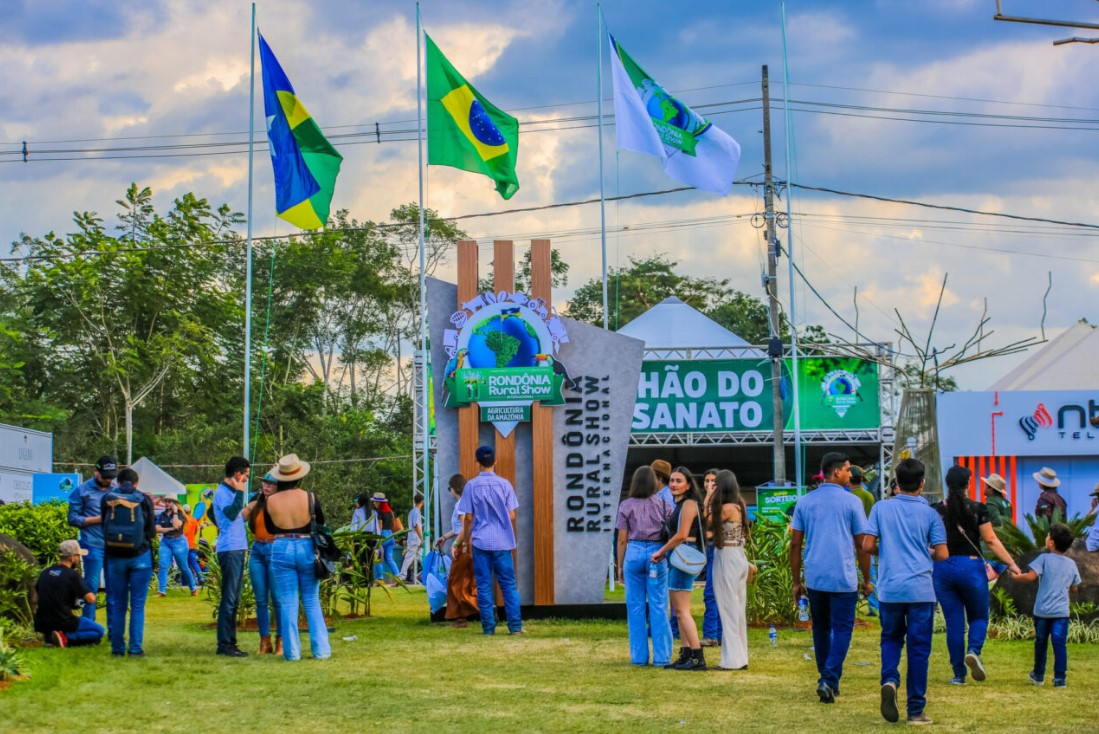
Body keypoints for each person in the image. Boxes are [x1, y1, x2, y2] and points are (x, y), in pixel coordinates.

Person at [864, 458, 948, 725]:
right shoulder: (931, 515)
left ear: (896, 483)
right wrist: (927, 552)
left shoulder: (881, 508)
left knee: (891, 639)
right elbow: (943, 554)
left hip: (890, 589)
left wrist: (886, 550)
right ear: (922, 485)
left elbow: (867, 545)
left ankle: (889, 679)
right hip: (921, 590)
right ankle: (915, 710)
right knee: (919, 648)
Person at [790, 452, 871, 703]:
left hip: (815, 577)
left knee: (821, 629)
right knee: (843, 629)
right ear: (836, 472)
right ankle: (829, 678)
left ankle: (827, 678)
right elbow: (862, 544)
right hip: (843, 577)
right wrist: (867, 578)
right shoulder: (852, 503)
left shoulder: (805, 501)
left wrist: (796, 581)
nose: (850, 474)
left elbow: (795, 544)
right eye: (848, 470)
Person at [931, 465, 1021, 685]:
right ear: (968, 484)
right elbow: (991, 540)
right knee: (979, 616)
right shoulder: (979, 509)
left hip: (942, 568)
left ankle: (958, 674)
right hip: (971, 568)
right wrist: (1012, 563)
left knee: (954, 623)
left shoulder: (935, 510)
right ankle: (973, 650)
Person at [265, 454, 331, 661]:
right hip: (306, 547)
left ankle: (292, 653)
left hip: (281, 546)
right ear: (299, 476)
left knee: (287, 602)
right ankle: (321, 650)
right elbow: (320, 521)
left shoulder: (271, 500)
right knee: (311, 600)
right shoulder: (309, 497)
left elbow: (269, 528)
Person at [454, 445, 523, 635]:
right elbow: (512, 516)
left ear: (477, 462)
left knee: (484, 586)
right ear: (495, 461)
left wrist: (462, 542)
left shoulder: (471, 486)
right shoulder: (505, 484)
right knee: (508, 584)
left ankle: (488, 628)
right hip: (503, 542)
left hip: (481, 542)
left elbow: (468, 518)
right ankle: (515, 627)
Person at [615, 465, 673, 666]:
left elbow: (622, 539)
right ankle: (662, 657)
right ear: (654, 482)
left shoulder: (625, 505)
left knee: (635, 607)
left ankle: (639, 657)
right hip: (658, 553)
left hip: (634, 552)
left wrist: (620, 566)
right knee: (658, 605)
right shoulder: (664, 505)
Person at [1010, 523, 1080, 688]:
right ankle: (1060, 678)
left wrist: (1015, 577)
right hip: (1061, 613)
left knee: (1041, 642)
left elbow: (1030, 577)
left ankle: (1038, 675)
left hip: (1042, 611)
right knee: (1059, 644)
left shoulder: (1044, 558)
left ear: (1051, 543)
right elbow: (1075, 587)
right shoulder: (1071, 564)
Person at [651, 466, 707, 671]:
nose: (674, 484)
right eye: (672, 480)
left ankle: (697, 656)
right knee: (678, 610)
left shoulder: (689, 504)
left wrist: (661, 551)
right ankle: (685, 654)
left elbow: (682, 534)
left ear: (688, 484)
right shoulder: (679, 504)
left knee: (682, 611)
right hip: (679, 557)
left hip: (684, 556)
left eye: (679, 481)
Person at [101, 467, 156, 657]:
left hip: (115, 556)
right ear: (136, 482)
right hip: (140, 556)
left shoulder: (107, 499)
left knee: (118, 604)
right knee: (138, 605)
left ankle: (117, 648)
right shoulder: (144, 499)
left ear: (118, 481)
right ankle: (135, 649)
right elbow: (151, 531)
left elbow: (103, 525)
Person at [65, 455, 118, 622]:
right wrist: (98, 519)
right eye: (105, 477)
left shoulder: (117, 490)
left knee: (114, 589)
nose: (108, 480)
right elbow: (72, 519)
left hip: (114, 545)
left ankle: (113, 630)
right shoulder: (81, 491)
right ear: (95, 472)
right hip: (92, 544)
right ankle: (89, 626)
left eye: (111, 477)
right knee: (90, 588)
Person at [709, 469, 750, 671]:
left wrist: (708, 496)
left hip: (727, 556)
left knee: (727, 608)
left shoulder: (725, 508)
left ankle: (732, 659)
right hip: (739, 555)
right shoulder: (739, 505)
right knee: (737, 608)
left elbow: (705, 521)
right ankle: (740, 656)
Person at [212, 455, 251, 657]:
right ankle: (224, 644)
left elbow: (237, 516)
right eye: (245, 477)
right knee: (229, 598)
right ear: (237, 474)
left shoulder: (229, 491)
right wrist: (239, 492)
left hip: (237, 548)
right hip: (229, 549)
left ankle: (230, 642)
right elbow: (230, 513)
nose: (245, 481)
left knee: (234, 598)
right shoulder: (223, 492)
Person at [34, 540, 105, 648]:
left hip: (43, 622)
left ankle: (51, 638)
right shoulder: (72, 575)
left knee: (91, 633)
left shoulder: (45, 572)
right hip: (64, 621)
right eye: (78, 556)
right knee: (99, 632)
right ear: (72, 557)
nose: (78, 559)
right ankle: (66, 638)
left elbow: (39, 592)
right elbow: (90, 599)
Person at [242, 473, 283, 655]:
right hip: (257, 549)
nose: (267, 486)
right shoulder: (255, 503)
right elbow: (236, 518)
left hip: (275, 548)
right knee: (260, 600)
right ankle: (264, 642)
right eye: (265, 483)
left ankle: (281, 641)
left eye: (271, 484)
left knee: (277, 599)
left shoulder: (281, 504)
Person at [441, 474, 478, 628]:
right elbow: (459, 528)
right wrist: (445, 537)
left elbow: (465, 526)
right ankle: (485, 609)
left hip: (464, 546)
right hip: (470, 545)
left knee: (456, 582)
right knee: (468, 582)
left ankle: (460, 618)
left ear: (453, 488)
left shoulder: (461, 504)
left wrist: (458, 544)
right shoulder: (468, 501)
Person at [699, 468, 722, 649]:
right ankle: (719, 634)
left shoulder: (722, 503)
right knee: (715, 592)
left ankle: (711, 634)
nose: (709, 484)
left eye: (713, 481)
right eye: (706, 481)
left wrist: (707, 499)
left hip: (717, 548)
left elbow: (706, 522)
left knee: (711, 592)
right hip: (709, 548)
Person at [155, 498, 197, 597]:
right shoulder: (162, 515)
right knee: (163, 565)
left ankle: (193, 588)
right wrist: (169, 529)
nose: (166, 503)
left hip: (179, 542)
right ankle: (162, 591)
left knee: (183, 567)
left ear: (174, 504)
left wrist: (174, 513)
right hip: (165, 542)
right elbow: (157, 529)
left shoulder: (180, 514)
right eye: (165, 501)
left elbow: (177, 525)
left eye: (169, 502)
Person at [372, 493, 401, 583]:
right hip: (391, 535)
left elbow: (379, 526)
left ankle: (380, 579)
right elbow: (393, 524)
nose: (374, 503)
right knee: (389, 558)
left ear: (378, 502)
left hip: (383, 535)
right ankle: (397, 577)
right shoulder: (390, 512)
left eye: (375, 501)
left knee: (377, 558)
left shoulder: (379, 512)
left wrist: (377, 537)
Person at [399, 494, 425, 584]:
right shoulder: (417, 512)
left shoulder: (412, 512)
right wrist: (422, 538)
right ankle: (402, 576)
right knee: (410, 558)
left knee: (420, 557)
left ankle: (428, 572)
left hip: (413, 538)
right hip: (415, 539)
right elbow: (416, 525)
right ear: (422, 501)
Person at [181, 504, 205, 585]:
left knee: (185, 564)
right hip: (193, 545)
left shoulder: (183, 520)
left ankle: (188, 581)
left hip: (184, 545)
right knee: (194, 562)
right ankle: (200, 577)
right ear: (190, 511)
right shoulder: (194, 520)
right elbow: (195, 532)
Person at [1085, 483, 1099, 552]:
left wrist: (1093, 508)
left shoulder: (1097, 509)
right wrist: (1093, 508)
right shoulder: (1097, 508)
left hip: (1093, 545)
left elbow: (1087, 522)